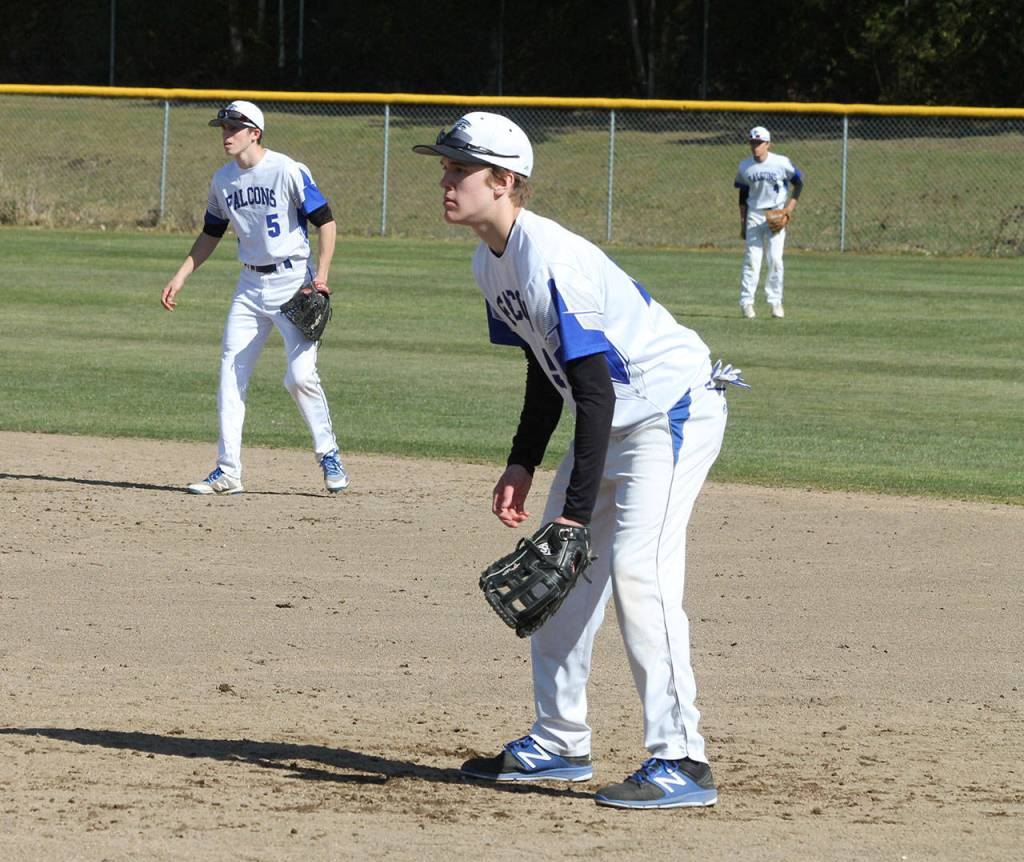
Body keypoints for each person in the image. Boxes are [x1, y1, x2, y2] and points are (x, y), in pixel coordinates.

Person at [414, 113, 744, 809]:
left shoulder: (551, 258)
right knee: (558, 577)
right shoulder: (488, 259)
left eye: (458, 169)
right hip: (616, 417)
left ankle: (683, 759)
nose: (445, 180)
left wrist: (570, 512)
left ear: (504, 182)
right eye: (444, 167)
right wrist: (522, 463)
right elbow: (547, 367)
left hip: (670, 409)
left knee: (637, 572)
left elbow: (593, 393)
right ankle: (560, 742)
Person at [160, 100, 348, 495]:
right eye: (223, 128)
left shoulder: (287, 170)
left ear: (254, 133)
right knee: (231, 372)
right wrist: (181, 275)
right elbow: (211, 233)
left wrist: (323, 276)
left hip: (295, 280)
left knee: (299, 376)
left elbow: (326, 222)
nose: (225, 135)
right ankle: (228, 471)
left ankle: (328, 452)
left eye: (233, 128)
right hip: (249, 287)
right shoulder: (222, 180)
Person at [735, 125, 804, 319]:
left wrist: (788, 210)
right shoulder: (745, 166)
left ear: (768, 144)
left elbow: (798, 182)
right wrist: (742, 223)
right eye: (752, 143)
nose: (755, 146)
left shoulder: (781, 163)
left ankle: (775, 303)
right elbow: (742, 196)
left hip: (776, 215)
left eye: (759, 143)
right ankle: (747, 303)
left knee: (775, 260)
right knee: (752, 261)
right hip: (754, 215)